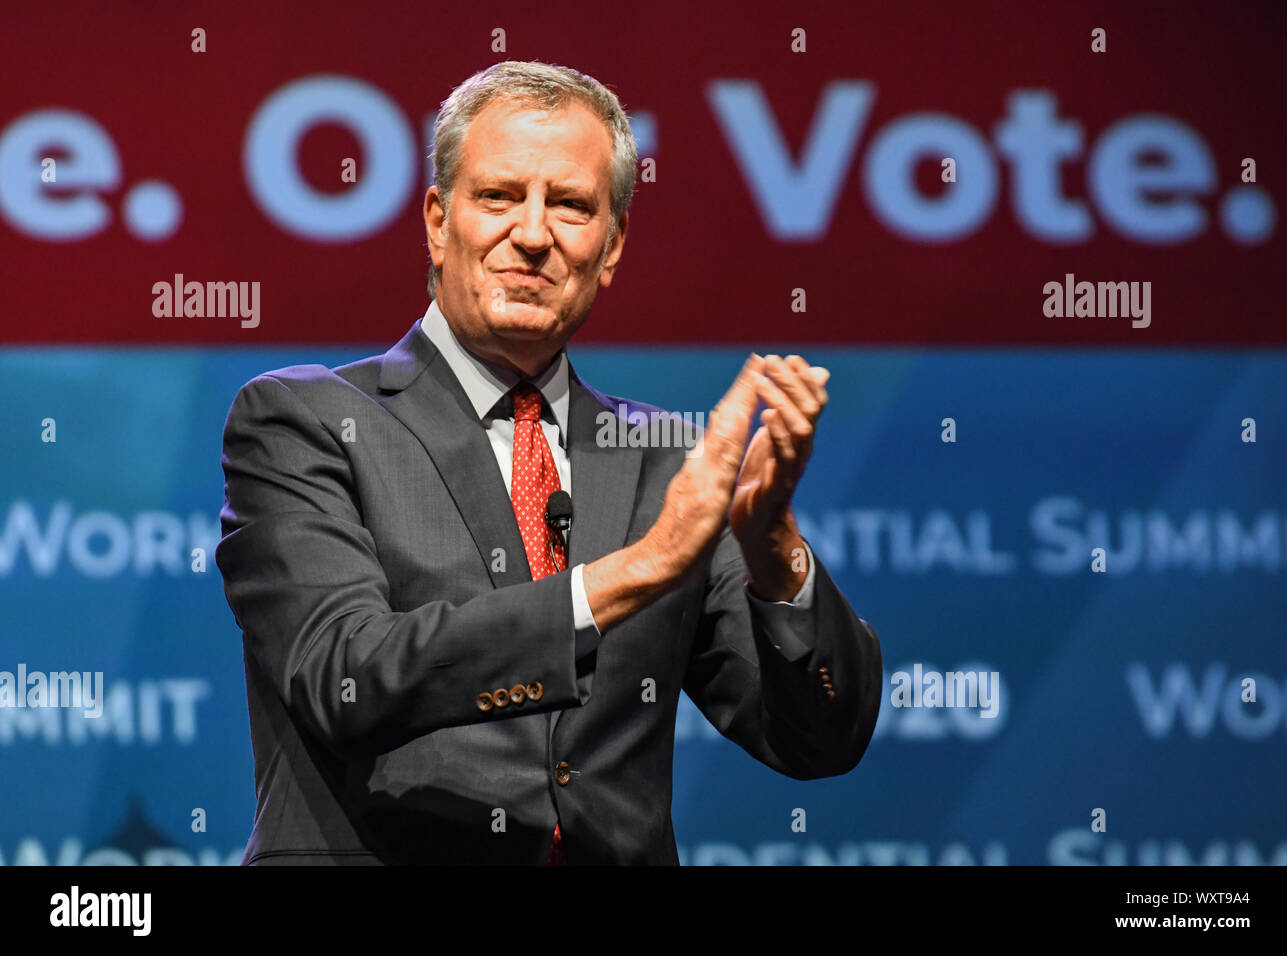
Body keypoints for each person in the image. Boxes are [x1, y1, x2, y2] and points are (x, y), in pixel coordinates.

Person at [216, 60, 882, 865]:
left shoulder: (666, 464)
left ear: (612, 245)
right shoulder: (306, 418)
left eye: (570, 205)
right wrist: (638, 569)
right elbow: (345, 677)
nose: (532, 234)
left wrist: (772, 548)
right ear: (437, 219)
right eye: (498, 196)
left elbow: (820, 741)